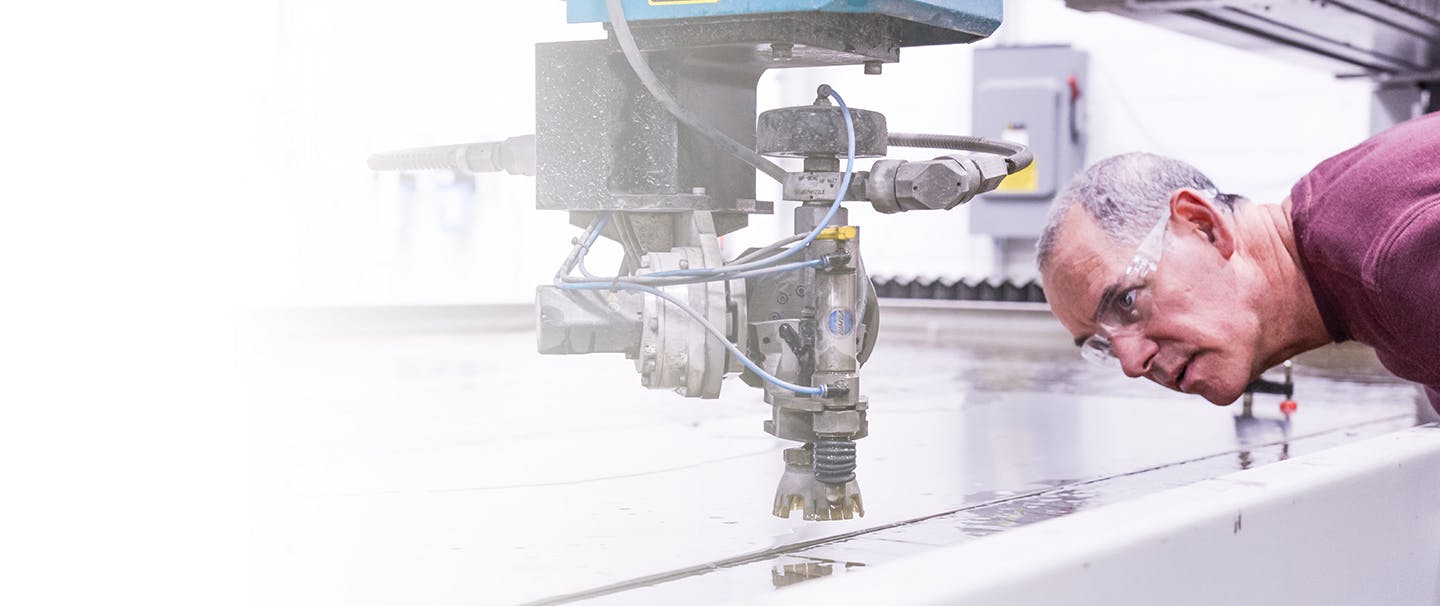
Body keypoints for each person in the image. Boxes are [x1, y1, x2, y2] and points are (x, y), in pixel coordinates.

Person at [1035, 112, 1440, 409]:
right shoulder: (1358, 248)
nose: (1131, 363)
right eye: (1103, 345)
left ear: (1204, 225)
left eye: (1126, 302)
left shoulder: (1397, 261)